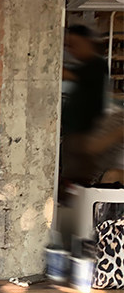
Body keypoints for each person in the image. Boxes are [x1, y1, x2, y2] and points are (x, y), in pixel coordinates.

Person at [61, 24, 110, 184]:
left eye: (74, 44)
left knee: (80, 178)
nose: (71, 50)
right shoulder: (86, 66)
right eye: (68, 46)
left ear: (87, 41)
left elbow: (65, 74)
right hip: (75, 133)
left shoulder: (97, 64)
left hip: (86, 134)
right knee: (71, 176)